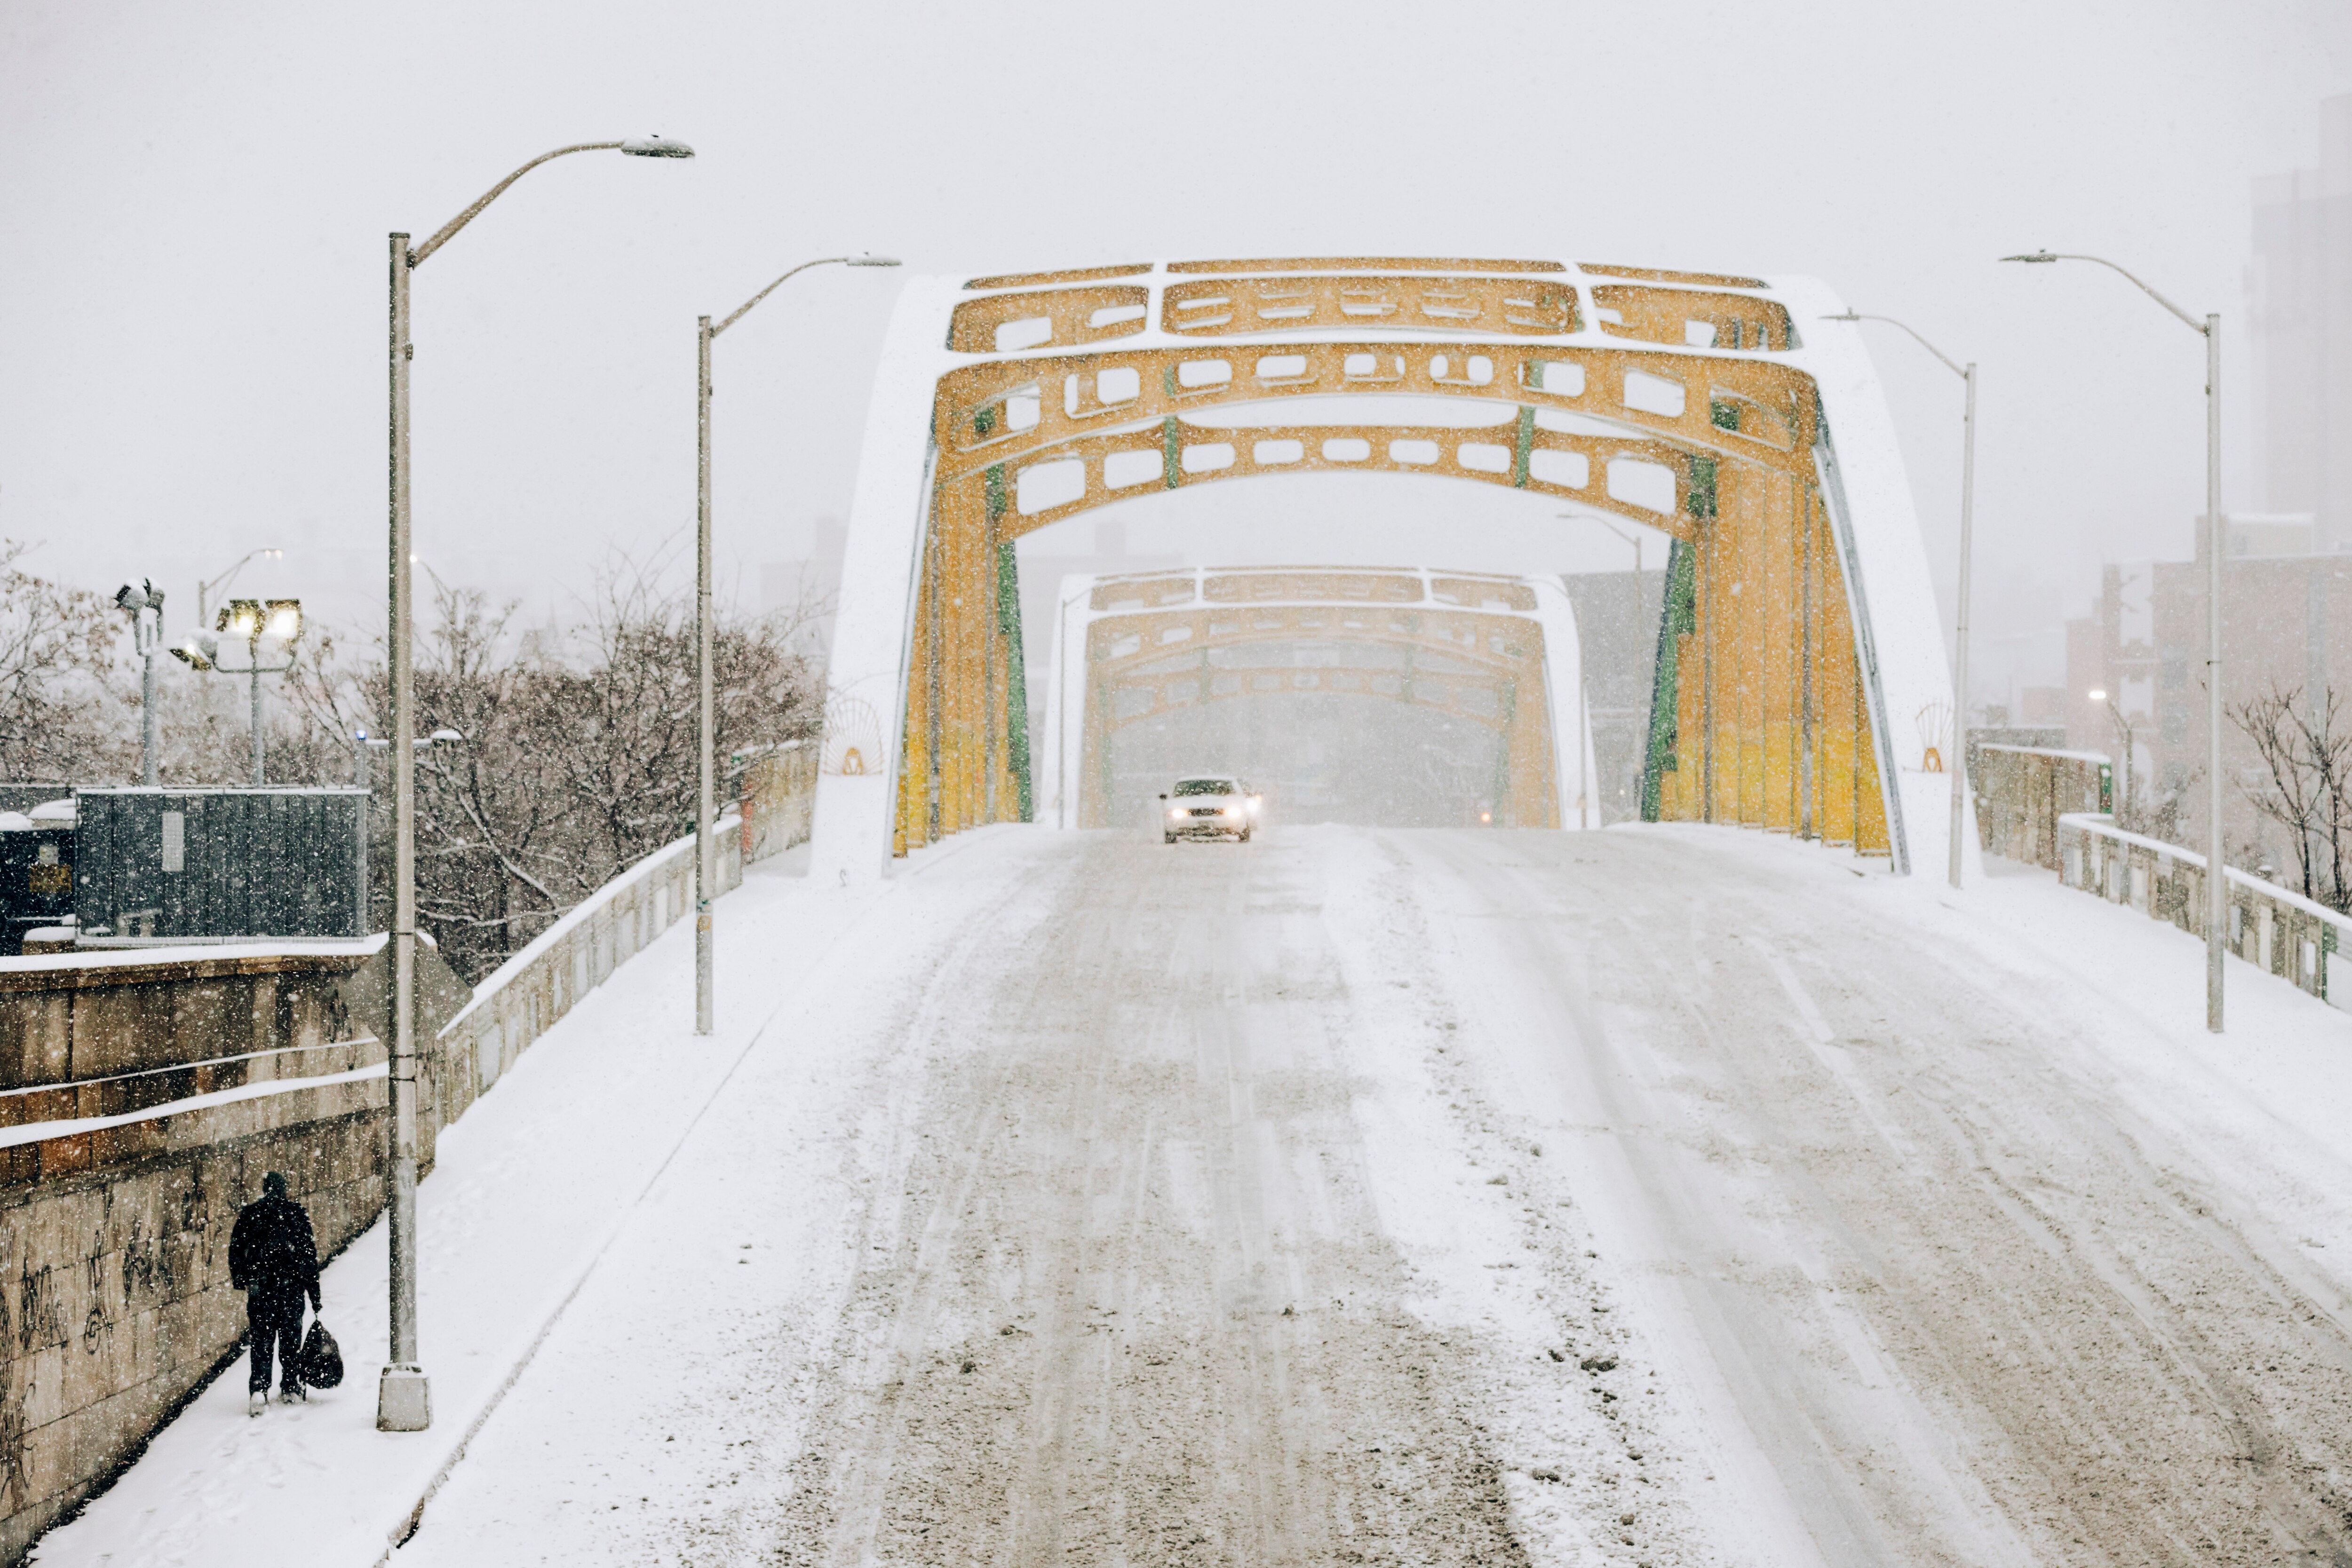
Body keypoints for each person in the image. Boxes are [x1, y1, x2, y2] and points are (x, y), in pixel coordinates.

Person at [229, 1171, 321, 1415]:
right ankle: (290, 1386)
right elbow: (308, 1255)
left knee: (262, 1341)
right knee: (291, 1340)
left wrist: (241, 1279)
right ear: (284, 1189)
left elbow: (236, 1248)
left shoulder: (251, 1214)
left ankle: (259, 1389)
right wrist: (315, 1294)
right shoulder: (295, 1213)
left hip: (261, 1290)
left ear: (265, 1188)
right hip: (291, 1289)